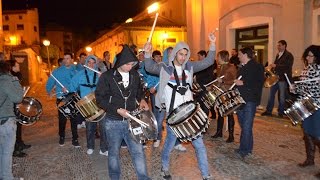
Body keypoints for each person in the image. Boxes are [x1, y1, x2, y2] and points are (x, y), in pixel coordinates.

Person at [144, 32, 216, 180]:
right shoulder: (165, 68)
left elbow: (208, 62)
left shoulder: (190, 66)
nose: (183, 57)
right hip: (174, 115)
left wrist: (213, 44)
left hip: (190, 114)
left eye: (185, 54)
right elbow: (150, 67)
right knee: (169, 145)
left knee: (200, 145)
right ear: (175, 53)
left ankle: (206, 175)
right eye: (181, 54)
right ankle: (164, 167)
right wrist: (147, 52)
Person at [95, 45, 150, 180]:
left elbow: (139, 91)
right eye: (128, 64)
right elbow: (100, 98)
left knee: (138, 151)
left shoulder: (135, 75)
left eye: (133, 64)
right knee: (113, 153)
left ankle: (143, 177)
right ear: (120, 63)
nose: (131, 67)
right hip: (113, 121)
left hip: (132, 121)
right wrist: (117, 110)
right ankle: (115, 177)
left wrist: (142, 99)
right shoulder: (107, 76)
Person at [289, 45, 320, 177]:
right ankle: (310, 159)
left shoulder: (319, 70)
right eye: (306, 55)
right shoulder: (306, 69)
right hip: (305, 104)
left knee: (317, 134)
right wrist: (294, 89)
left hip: (317, 105)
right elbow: (303, 88)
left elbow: (313, 89)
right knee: (307, 132)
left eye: (310, 55)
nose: (307, 58)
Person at [69, 55, 108, 156]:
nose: (91, 64)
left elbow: (107, 87)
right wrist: (66, 90)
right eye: (89, 62)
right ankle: (90, 147)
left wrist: (103, 78)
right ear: (86, 63)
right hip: (87, 104)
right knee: (90, 127)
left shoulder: (100, 74)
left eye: (93, 62)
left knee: (103, 127)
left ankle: (103, 149)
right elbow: (72, 85)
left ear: (95, 64)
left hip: (100, 103)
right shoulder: (80, 74)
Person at [233, 47, 264, 159]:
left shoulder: (257, 66)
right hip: (241, 100)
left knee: (246, 126)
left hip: (250, 100)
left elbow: (259, 83)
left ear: (245, 55)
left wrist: (243, 82)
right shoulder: (242, 68)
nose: (238, 56)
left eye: (240, 54)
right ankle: (246, 147)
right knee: (243, 125)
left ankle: (244, 150)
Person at [46, 53, 80, 147]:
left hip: (73, 97)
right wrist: (49, 91)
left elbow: (78, 83)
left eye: (68, 58)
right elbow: (50, 82)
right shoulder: (57, 72)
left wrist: (71, 87)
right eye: (64, 59)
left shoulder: (76, 71)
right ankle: (61, 137)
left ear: (72, 59)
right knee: (62, 119)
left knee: (74, 119)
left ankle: (75, 138)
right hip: (62, 98)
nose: (66, 60)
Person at [0, 60, 23, 180]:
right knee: (7, 152)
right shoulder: (6, 80)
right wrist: (16, 82)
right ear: (7, 69)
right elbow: (18, 98)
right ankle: (7, 177)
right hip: (5, 120)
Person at [261, 40, 294, 118]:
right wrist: (271, 69)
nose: (278, 47)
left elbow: (288, 66)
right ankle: (269, 111)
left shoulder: (289, 55)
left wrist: (276, 65)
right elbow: (277, 65)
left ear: (284, 46)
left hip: (282, 78)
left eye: (279, 45)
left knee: (282, 96)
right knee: (271, 95)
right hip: (275, 78)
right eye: (277, 45)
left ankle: (281, 112)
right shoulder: (278, 54)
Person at [211, 50, 237, 143]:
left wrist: (223, 82)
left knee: (229, 114)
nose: (217, 59)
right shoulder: (220, 67)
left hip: (228, 93)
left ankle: (231, 136)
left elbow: (235, 81)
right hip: (220, 93)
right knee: (220, 113)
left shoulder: (232, 67)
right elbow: (218, 80)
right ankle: (219, 132)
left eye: (218, 57)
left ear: (222, 57)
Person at [8, 60, 31, 158]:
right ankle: (15, 149)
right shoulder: (11, 78)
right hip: (11, 106)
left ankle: (20, 143)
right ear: (12, 68)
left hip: (15, 105)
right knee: (14, 128)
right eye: (17, 66)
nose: (19, 67)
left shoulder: (15, 76)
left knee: (19, 125)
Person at [193, 50, 217, 119]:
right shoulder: (199, 64)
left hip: (205, 87)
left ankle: (204, 120)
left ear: (203, 56)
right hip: (200, 87)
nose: (198, 57)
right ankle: (201, 119)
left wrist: (208, 85)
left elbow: (210, 76)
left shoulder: (208, 65)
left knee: (205, 105)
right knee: (200, 104)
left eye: (199, 56)